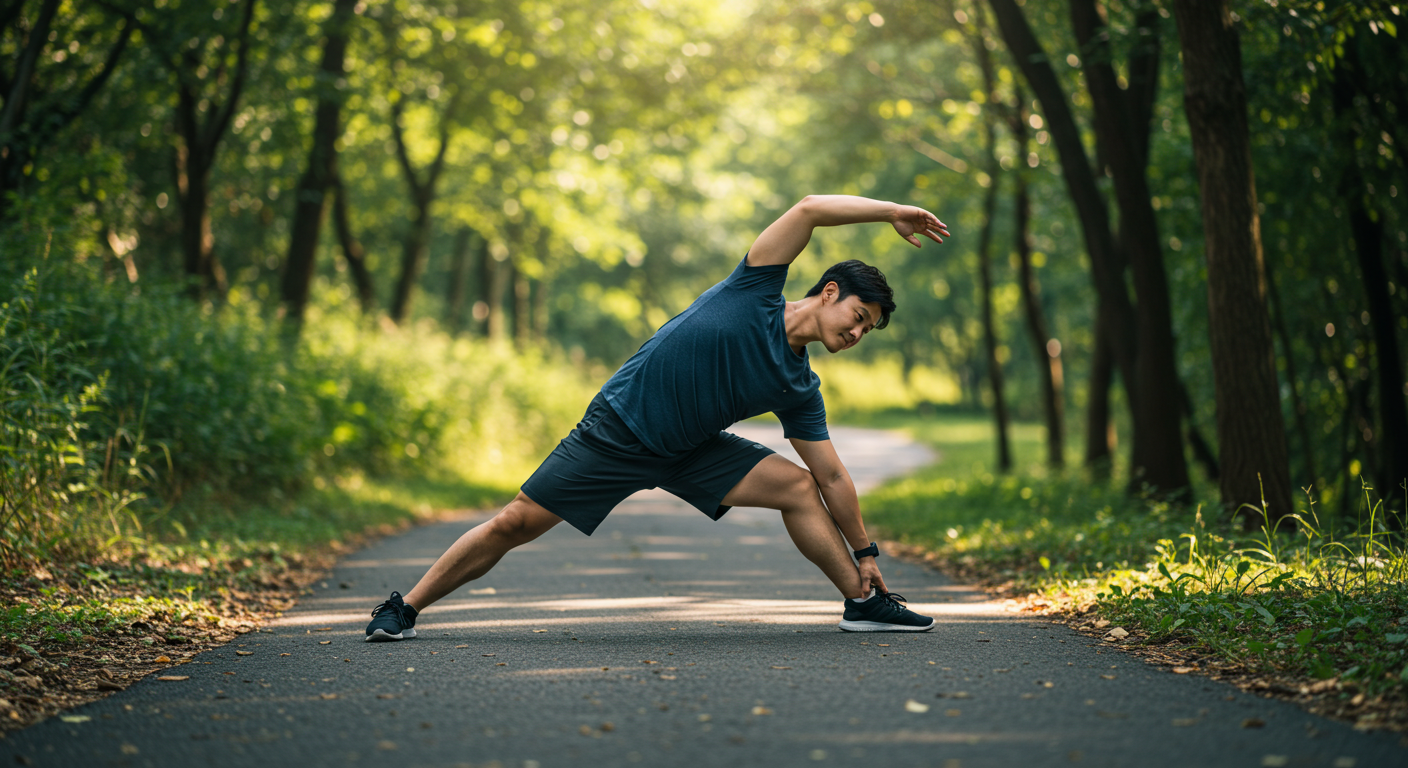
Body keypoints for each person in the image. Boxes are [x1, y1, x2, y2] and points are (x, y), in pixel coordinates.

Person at [364, 194, 949, 641]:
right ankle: (404, 607)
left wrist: (865, 552)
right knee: (514, 523)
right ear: (828, 291)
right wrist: (891, 211)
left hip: (691, 449)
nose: (855, 333)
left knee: (798, 487)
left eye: (866, 330)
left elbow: (832, 477)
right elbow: (811, 209)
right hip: (618, 430)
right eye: (857, 316)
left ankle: (863, 601)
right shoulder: (756, 287)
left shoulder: (798, 386)